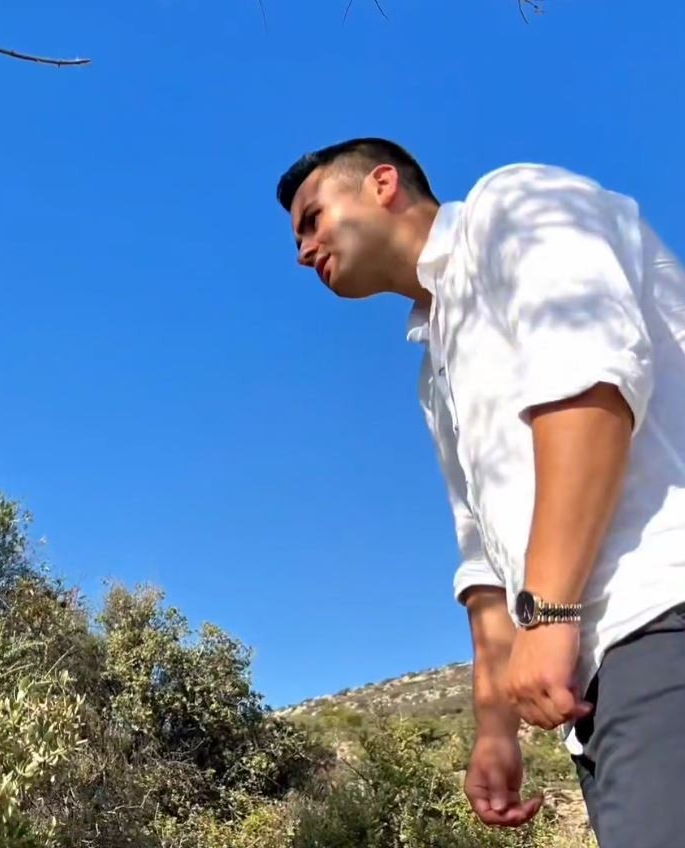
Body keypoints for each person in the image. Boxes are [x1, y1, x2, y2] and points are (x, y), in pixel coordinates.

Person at [273, 138, 685, 846]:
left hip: (662, 610)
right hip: (595, 684)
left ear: (381, 184)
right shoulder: (435, 371)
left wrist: (551, 610)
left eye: (311, 219)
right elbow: (485, 564)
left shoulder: (513, 204)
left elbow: (590, 386)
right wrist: (496, 731)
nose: (302, 252)